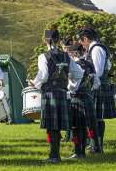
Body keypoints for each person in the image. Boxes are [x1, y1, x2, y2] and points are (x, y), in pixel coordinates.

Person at [28, 27, 82, 163]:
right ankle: (55, 155)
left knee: (52, 125)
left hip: (50, 93)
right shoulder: (66, 56)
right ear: (58, 40)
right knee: (57, 125)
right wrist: (68, 83)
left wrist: (35, 83)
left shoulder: (43, 56)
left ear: (45, 41)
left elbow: (43, 75)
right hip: (62, 92)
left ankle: (54, 156)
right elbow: (79, 74)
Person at [75, 26, 116, 153]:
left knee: (97, 117)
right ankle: (95, 145)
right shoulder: (94, 48)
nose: (81, 45)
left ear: (86, 39)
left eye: (81, 42)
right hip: (96, 85)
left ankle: (96, 146)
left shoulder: (96, 49)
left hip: (98, 85)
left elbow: (97, 72)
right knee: (95, 117)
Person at [67, 42, 101, 157]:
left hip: (77, 97)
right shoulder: (90, 64)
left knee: (76, 127)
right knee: (83, 126)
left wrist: (68, 89)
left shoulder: (75, 66)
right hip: (88, 97)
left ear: (72, 55)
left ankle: (78, 151)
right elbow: (97, 82)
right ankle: (82, 151)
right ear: (82, 53)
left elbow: (73, 85)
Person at [61, 35, 73, 142]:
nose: (67, 50)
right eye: (65, 48)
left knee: (72, 112)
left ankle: (71, 135)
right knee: (66, 112)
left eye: (68, 48)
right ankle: (67, 135)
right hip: (64, 87)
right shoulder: (61, 57)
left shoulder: (73, 57)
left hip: (72, 87)